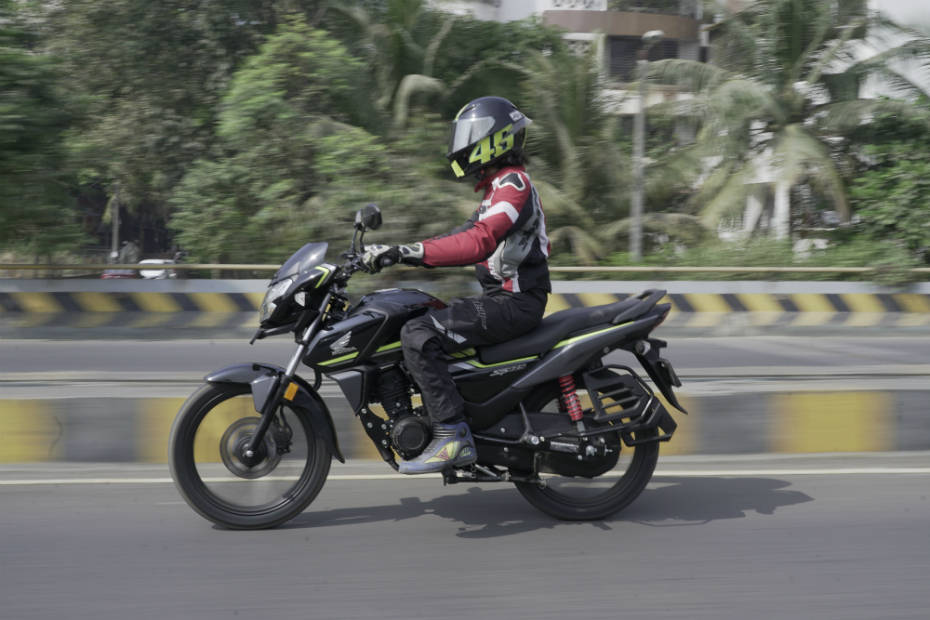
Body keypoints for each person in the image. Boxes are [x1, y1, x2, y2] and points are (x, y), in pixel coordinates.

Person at [361, 96, 551, 474]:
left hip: (515, 303)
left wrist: (405, 252)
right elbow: (461, 234)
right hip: (502, 300)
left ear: (491, 139)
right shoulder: (496, 191)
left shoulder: (514, 184)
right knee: (415, 314)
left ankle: (451, 435)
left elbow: (479, 241)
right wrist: (399, 253)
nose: (461, 145)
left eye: (468, 135)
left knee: (418, 334)